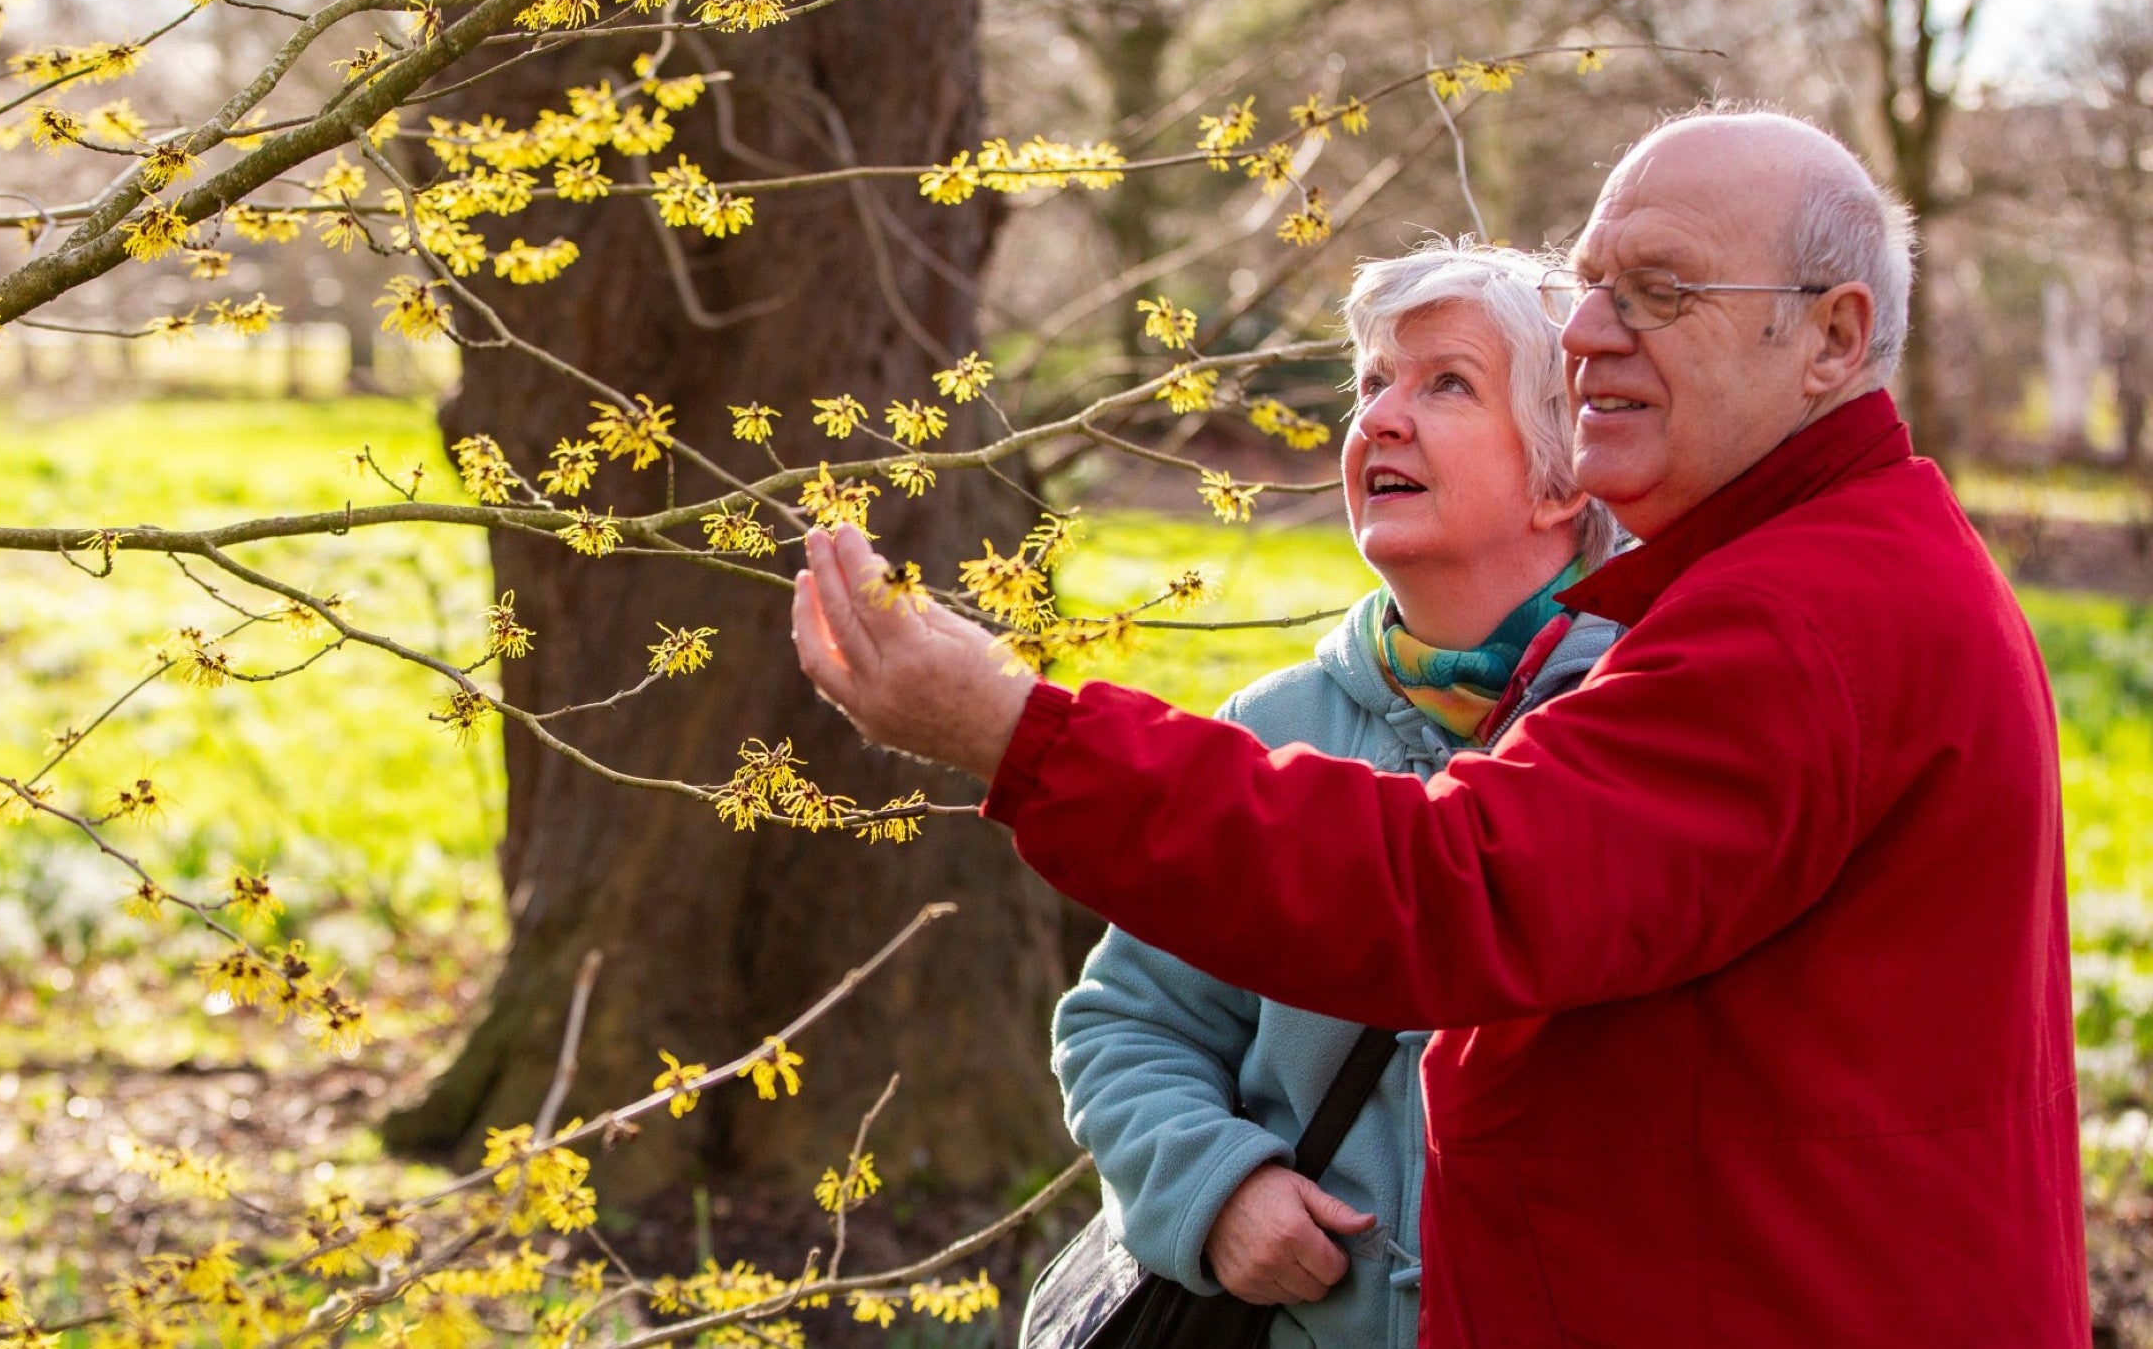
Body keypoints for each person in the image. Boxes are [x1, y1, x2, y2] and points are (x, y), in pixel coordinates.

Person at [791, 110, 2083, 1346]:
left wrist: (1021, 736)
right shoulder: (1814, 582)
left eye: (1660, 291)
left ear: (1832, 339)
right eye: (1590, 285)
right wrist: (1217, 1190)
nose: (1590, 331)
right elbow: (1135, 1019)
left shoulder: (1800, 622)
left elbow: (1450, 887)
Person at [1055, 244, 1619, 1349]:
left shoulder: (1649, 723)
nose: (1380, 421)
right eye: (1370, 384)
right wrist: (1215, 1192)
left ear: (1566, 473)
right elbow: (1129, 1021)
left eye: (1444, 383)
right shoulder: (1273, 729)